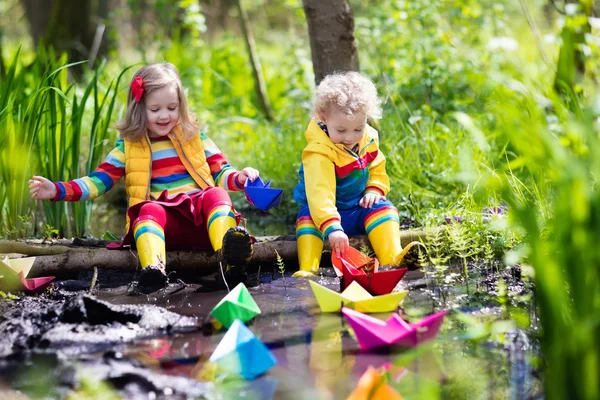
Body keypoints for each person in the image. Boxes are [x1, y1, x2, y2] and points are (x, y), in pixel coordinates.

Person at [29, 62, 259, 294]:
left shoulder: (194, 137)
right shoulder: (129, 147)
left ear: (181, 106)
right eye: (155, 109)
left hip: (203, 225)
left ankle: (230, 263)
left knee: (216, 194)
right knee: (146, 209)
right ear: (139, 108)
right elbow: (98, 182)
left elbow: (221, 172)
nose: (164, 115)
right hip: (163, 230)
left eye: (172, 107)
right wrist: (57, 190)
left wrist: (240, 178)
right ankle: (154, 271)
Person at [293, 71, 414, 277]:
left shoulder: (367, 139)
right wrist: (332, 228)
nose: (350, 137)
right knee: (307, 217)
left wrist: (374, 189)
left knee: (383, 207)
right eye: (341, 131)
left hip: (358, 209)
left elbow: (377, 167)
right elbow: (319, 194)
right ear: (323, 118)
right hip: (325, 216)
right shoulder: (319, 152)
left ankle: (392, 258)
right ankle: (308, 269)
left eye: (357, 128)